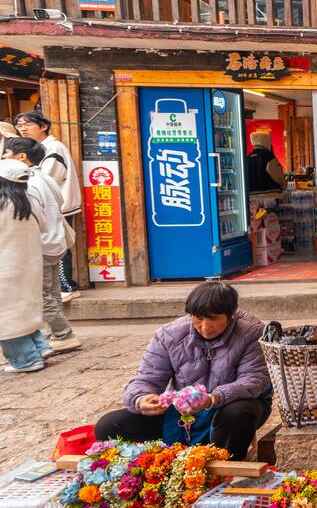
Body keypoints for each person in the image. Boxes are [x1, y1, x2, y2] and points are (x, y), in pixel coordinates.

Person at [94, 282, 271, 460]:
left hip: (230, 406)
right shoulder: (169, 335)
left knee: (238, 413)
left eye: (214, 318)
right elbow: (146, 377)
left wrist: (212, 399)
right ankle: (157, 466)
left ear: (231, 314)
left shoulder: (252, 333)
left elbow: (253, 380)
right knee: (108, 426)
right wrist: (142, 399)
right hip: (181, 412)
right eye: (199, 318)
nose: (205, 327)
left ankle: (225, 467)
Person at [3, 138, 79, 353]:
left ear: (21, 157)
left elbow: (36, 217)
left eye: (6, 153)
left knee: (40, 295)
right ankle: (53, 334)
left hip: (42, 246)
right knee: (52, 293)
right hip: (56, 242)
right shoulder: (45, 177)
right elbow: (58, 205)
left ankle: (64, 334)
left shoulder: (27, 185)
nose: (4, 157)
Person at [14, 112, 81, 300]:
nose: (23, 129)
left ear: (43, 126)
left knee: (59, 244)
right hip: (46, 204)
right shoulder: (39, 147)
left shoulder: (54, 147)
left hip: (58, 205)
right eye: (20, 125)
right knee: (54, 244)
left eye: (28, 125)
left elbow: (48, 177)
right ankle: (58, 287)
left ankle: (68, 286)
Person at [0, 159, 50, 373]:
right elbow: (45, 224)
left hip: (4, 269)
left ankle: (26, 360)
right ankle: (41, 346)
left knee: (7, 317)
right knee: (24, 309)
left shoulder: (2, 204)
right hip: (29, 265)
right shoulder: (27, 201)